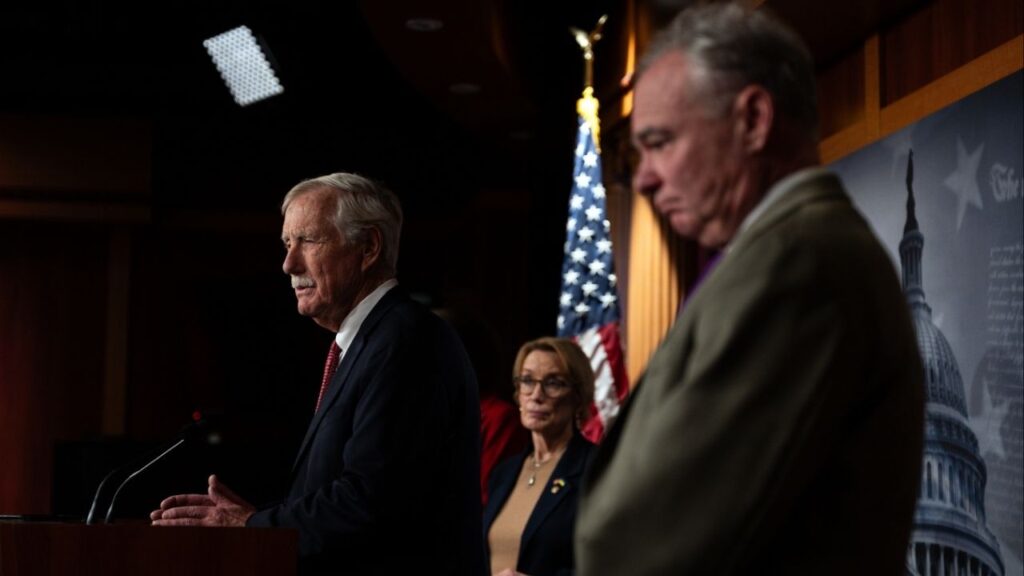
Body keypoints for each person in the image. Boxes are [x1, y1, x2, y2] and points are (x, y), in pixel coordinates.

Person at [575, 4, 925, 575]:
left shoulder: (799, 263)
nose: (644, 178)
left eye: (661, 142)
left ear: (754, 121)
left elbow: (642, 543)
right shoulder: (782, 253)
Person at [151, 173, 485, 576]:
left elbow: (371, 501)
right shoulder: (369, 342)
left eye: (308, 241)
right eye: (287, 244)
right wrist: (258, 522)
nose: (289, 264)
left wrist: (254, 526)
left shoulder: (405, 342)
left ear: (368, 247)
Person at [484, 337, 596, 576]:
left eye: (553, 383)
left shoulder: (596, 470)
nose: (536, 395)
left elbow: (612, 561)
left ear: (578, 397)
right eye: (527, 381)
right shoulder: (503, 473)